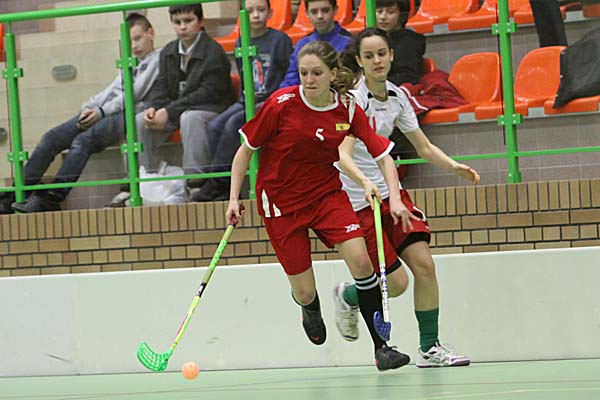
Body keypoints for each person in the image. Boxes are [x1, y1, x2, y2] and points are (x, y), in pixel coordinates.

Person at [226, 41, 413, 371]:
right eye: (303, 73)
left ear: (332, 74)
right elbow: (245, 151)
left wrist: (394, 197)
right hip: (281, 203)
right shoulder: (280, 104)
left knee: (362, 261)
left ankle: (382, 348)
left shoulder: (347, 109)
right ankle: (309, 307)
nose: (309, 80)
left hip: (326, 195)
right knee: (304, 290)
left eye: (316, 73)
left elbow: (383, 155)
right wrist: (233, 198)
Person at [334, 28, 480, 368]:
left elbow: (423, 146)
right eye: (368, 56)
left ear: (391, 55)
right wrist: (365, 183)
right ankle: (349, 295)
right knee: (396, 284)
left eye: (381, 53)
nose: (376, 60)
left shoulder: (398, 97)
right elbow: (343, 155)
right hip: (359, 201)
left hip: (392, 195)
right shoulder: (354, 103)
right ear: (359, 62)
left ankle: (430, 348)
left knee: (425, 265)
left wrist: (453, 166)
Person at [2, 13, 160, 214]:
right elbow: (110, 90)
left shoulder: (158, 58)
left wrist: (100, 112)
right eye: (129, 41)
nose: (134, 45)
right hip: (104, 112)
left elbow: (134, 93)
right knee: (51, 138)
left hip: (128, 114)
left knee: (82, 142)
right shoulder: (131, 62)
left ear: (150, 33)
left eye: (137, 38)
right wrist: (89, 107)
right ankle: (16, 194)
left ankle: (53, 197)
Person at [191, 0, 293, 202]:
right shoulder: (240, 41)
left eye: (261, 10)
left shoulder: (280, 40)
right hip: (246, 100)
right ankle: (221, 180)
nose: (255, 15)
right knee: (214, 126)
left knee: (233, 124)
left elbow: (286, 73)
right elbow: (243, 72)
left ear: (270, 12)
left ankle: (220, 182)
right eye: (250, 11)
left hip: (270, 100)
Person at [136, 4, 234, 177]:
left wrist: (168, 111)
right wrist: (154, 107)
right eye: (177, 22)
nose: (182, 27)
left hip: (211, 109)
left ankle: (196, 180)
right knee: (139, 120)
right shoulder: (168, 51)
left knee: (190, 118)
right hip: (177, 110)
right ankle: (141, 178)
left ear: (201, 21)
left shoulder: (214, 51)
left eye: (188, 21)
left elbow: (206, 93)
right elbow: (161, 86)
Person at [278, 0, 353, 88]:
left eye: (325, 10)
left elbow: (352, 81)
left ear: (335, 10)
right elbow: (290, 81)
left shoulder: (349, 42)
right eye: (314, 12)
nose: (319, 16)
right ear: (307, 13)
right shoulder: (302, 44)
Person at [375, 0, 425, 87]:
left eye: (390, 12)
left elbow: (408, 77)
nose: (383, 17)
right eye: (379, 11)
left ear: (402, 15)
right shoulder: (370, 39)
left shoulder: (409, 42)